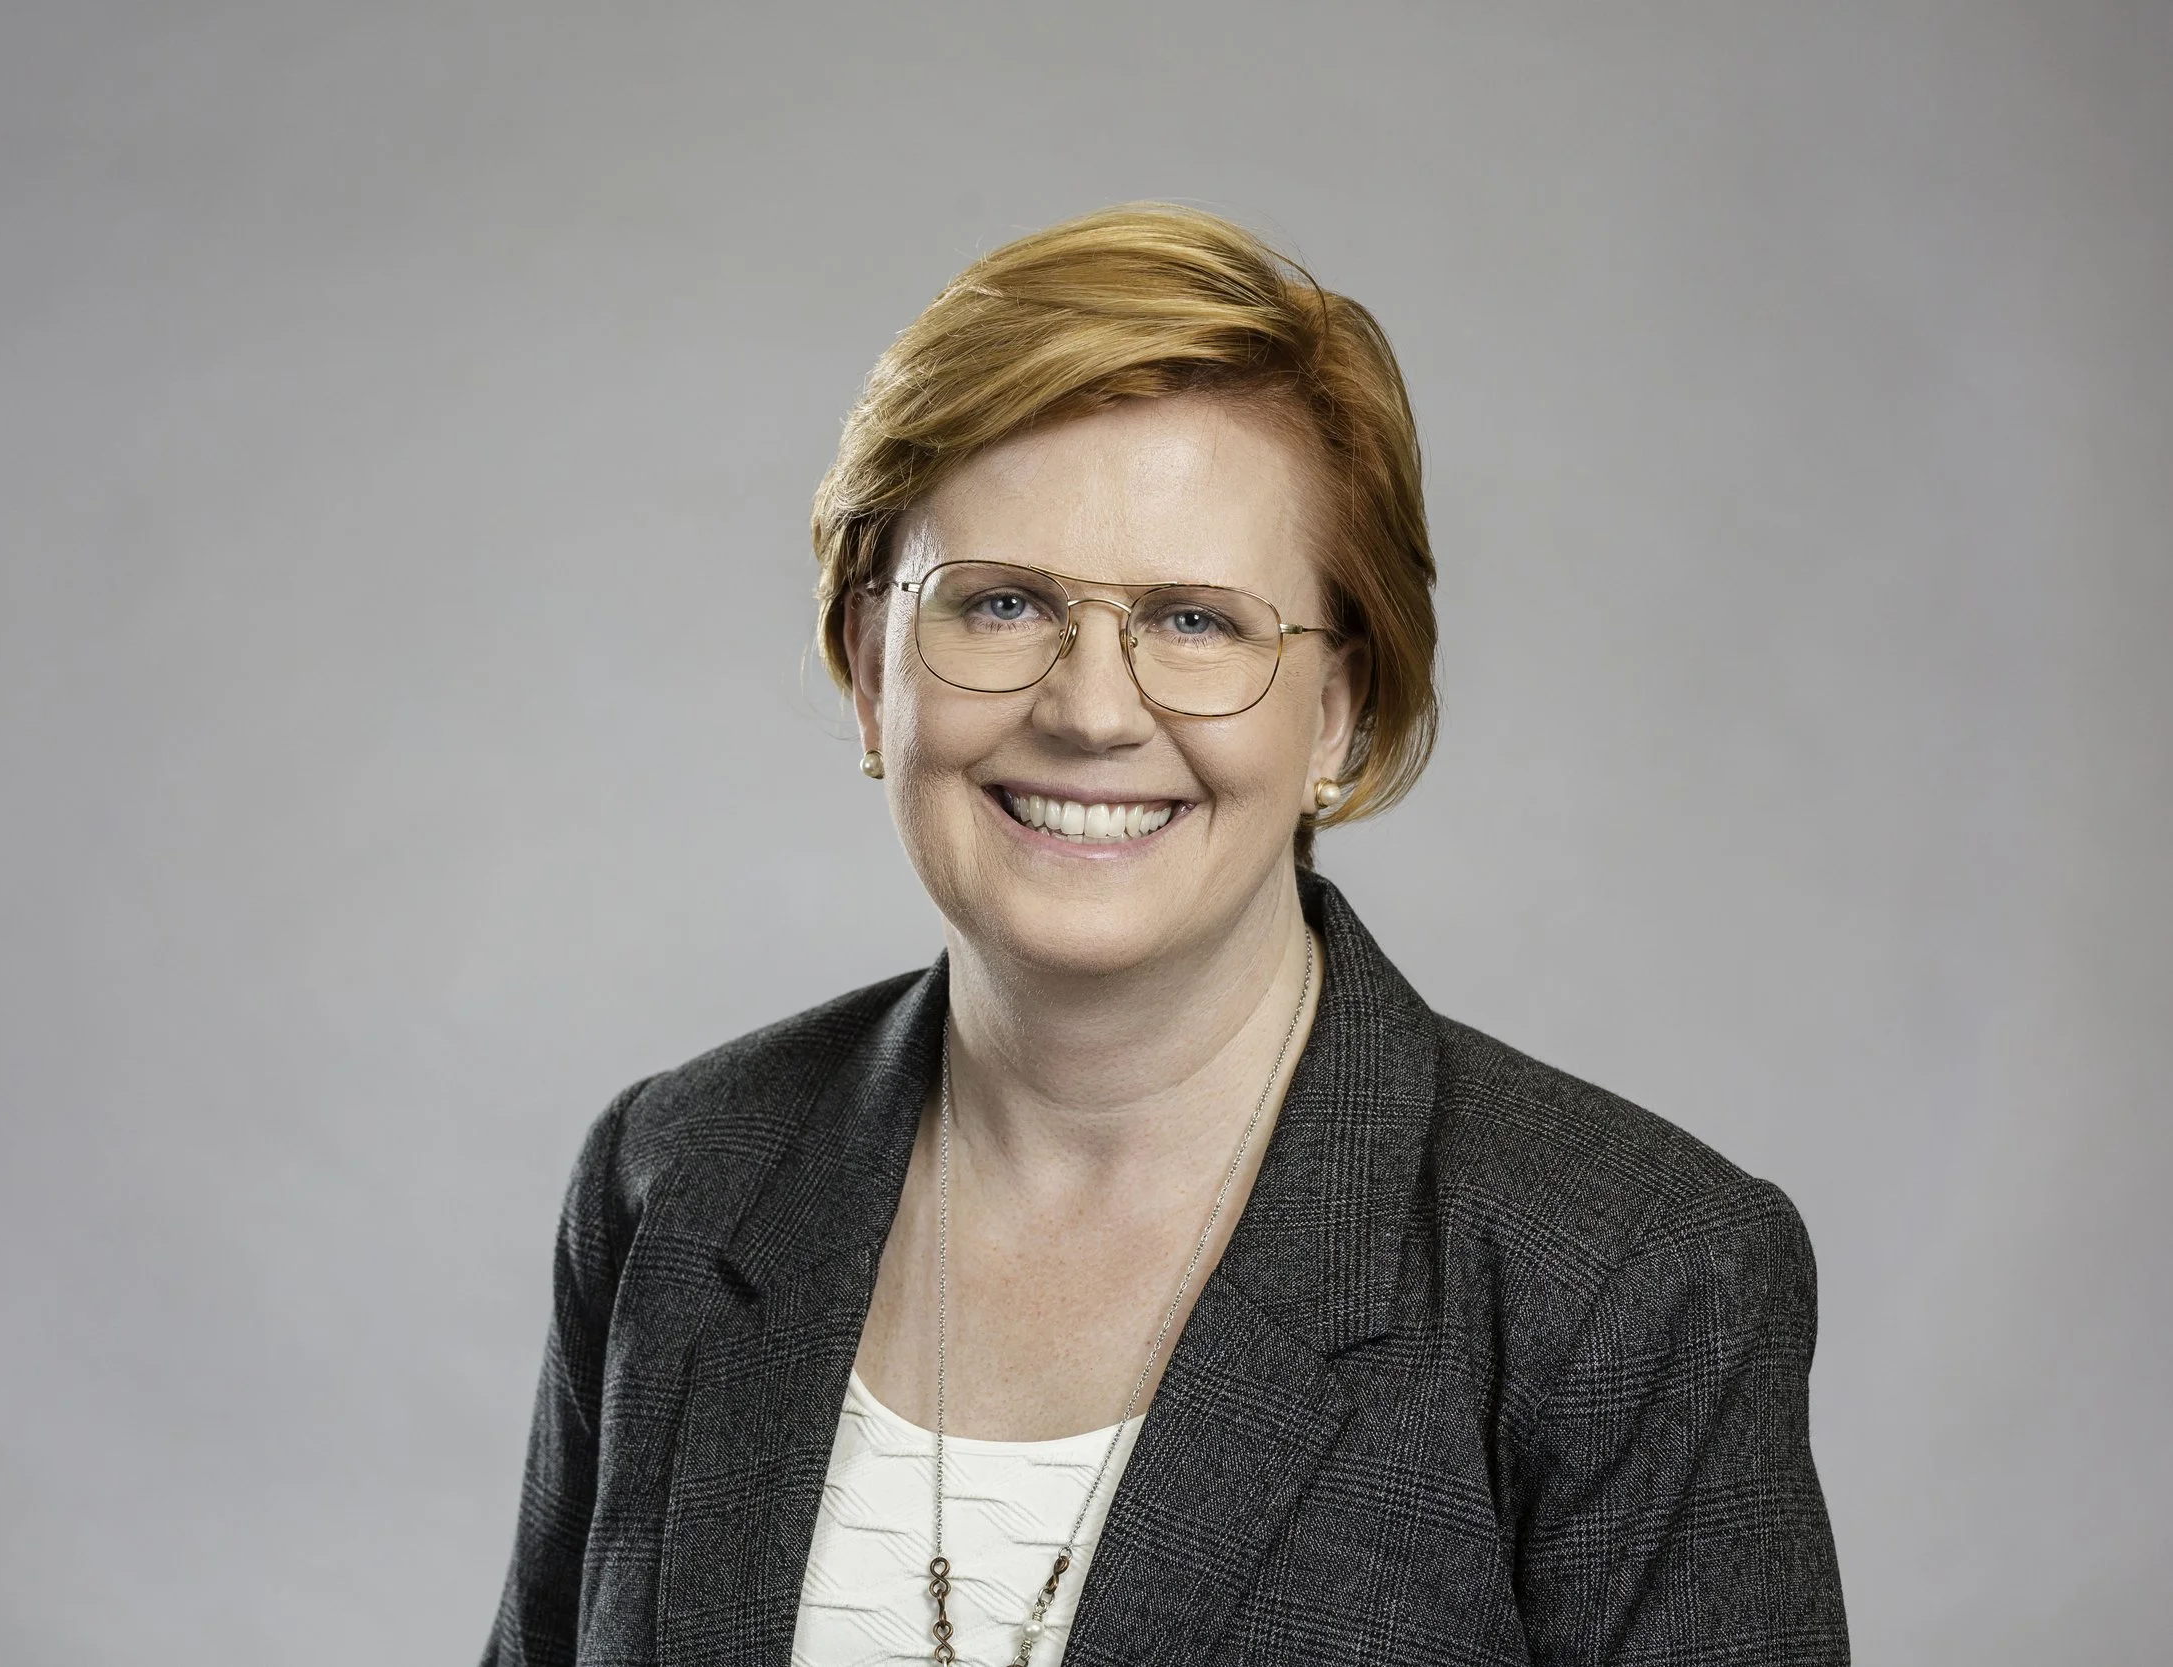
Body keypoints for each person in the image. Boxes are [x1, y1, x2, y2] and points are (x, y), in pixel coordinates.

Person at [480, 204, 1848, 1666]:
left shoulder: (1633, 1277)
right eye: (1000, 602)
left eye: (1196, 621)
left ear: (1338, 712)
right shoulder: (677, 1176)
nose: (1088, 708)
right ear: (870, 673)